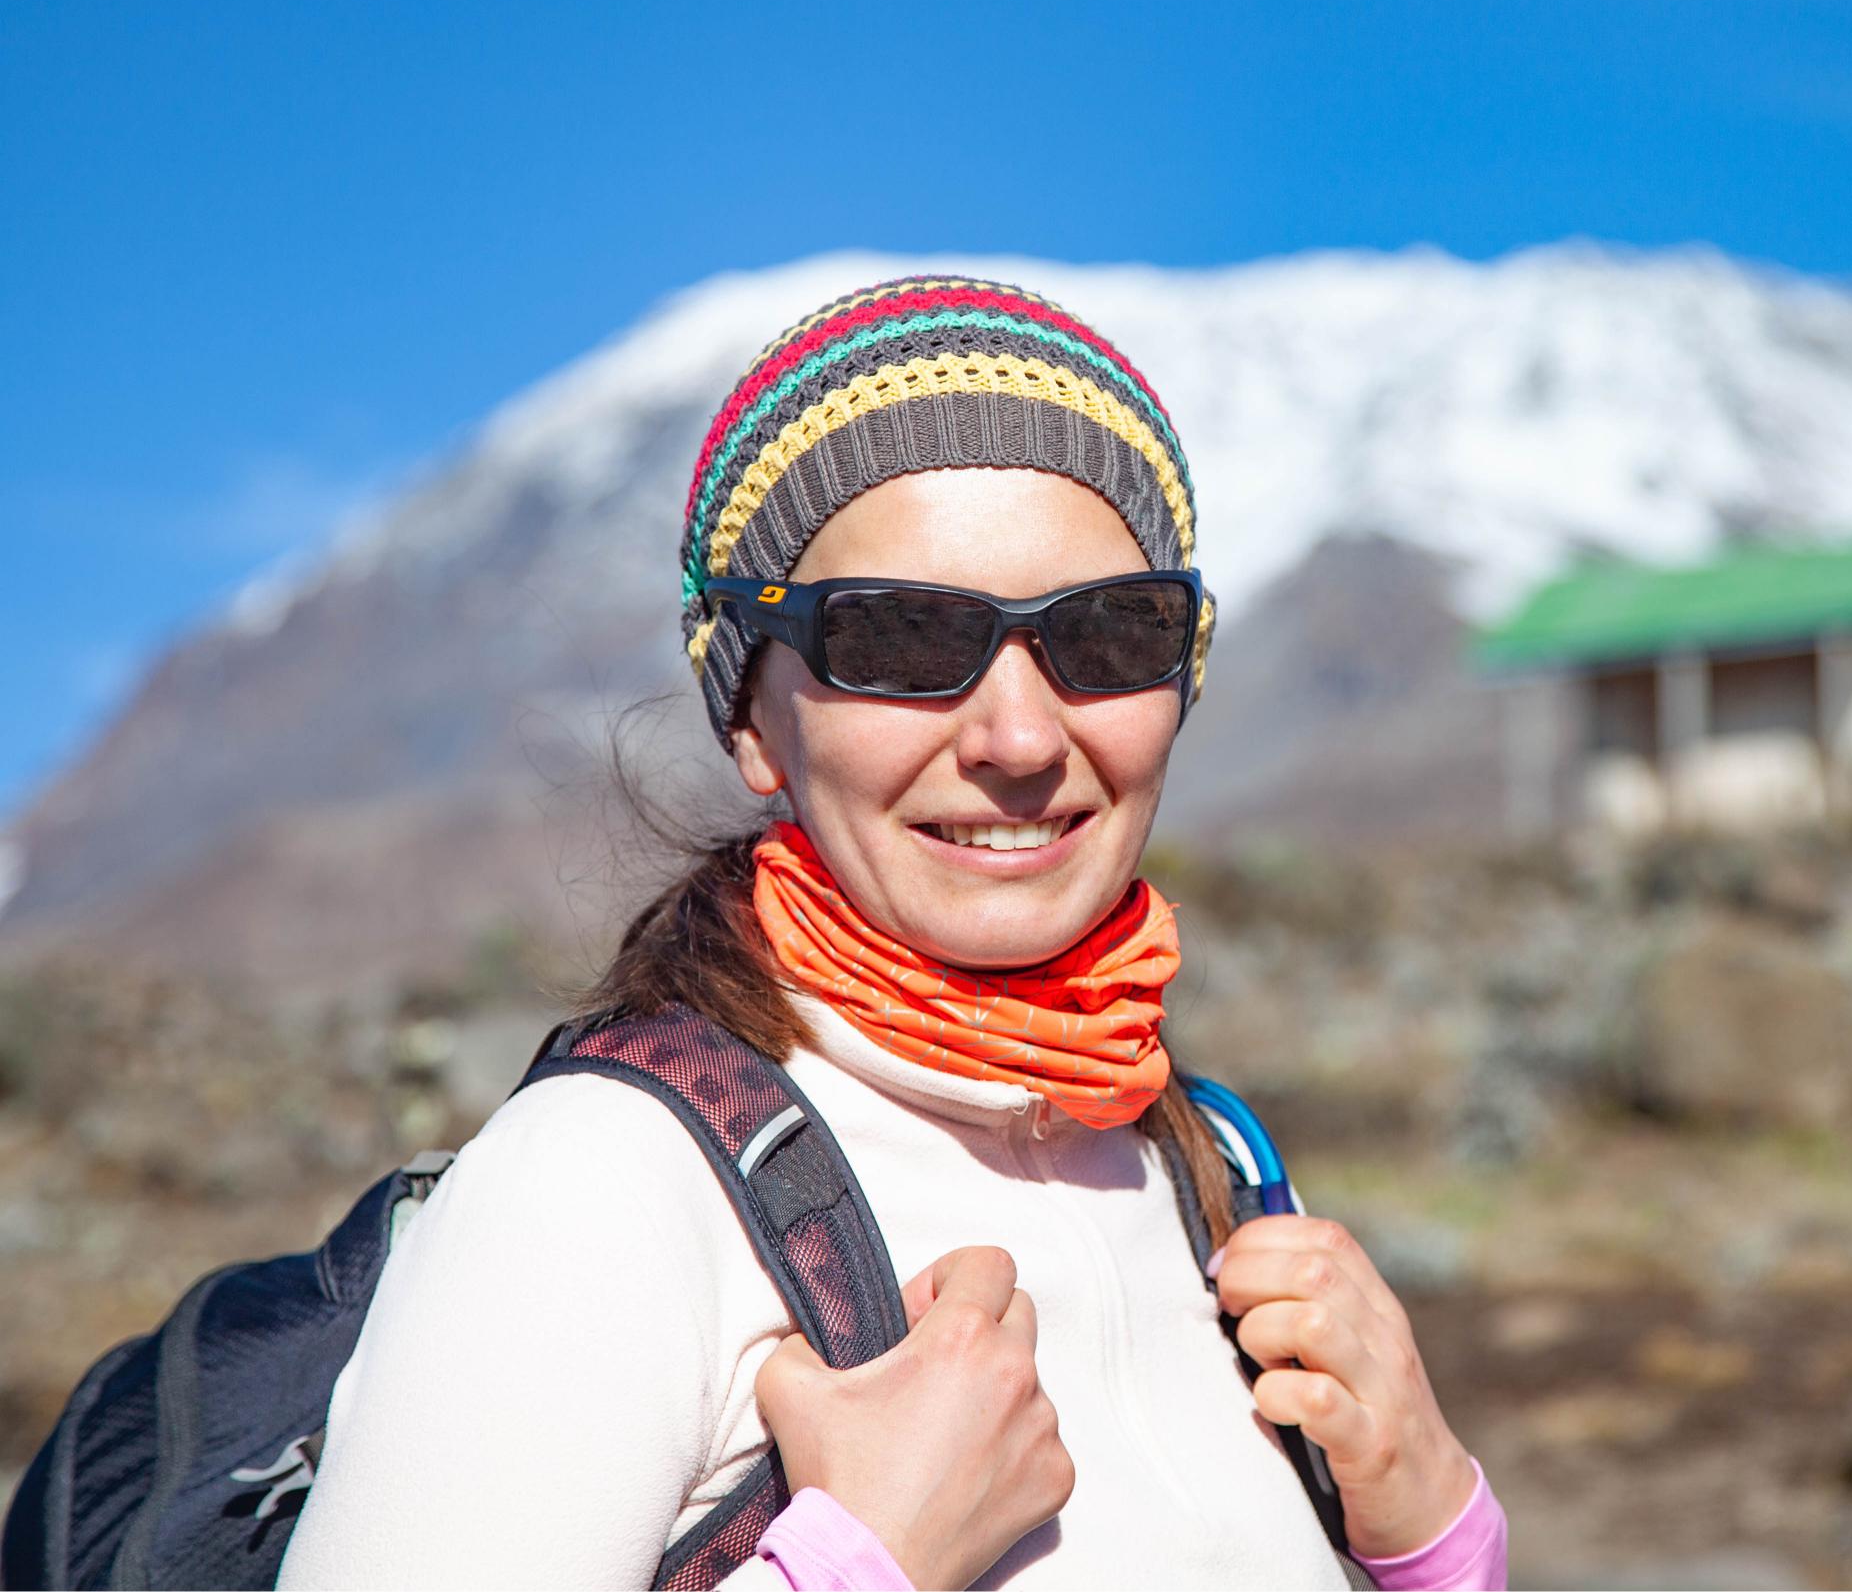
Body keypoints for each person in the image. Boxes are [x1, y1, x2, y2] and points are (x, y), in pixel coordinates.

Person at [275, 276, 1507, 1590]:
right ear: (752, 719)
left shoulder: (1214, 1171)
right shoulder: (599, 1188)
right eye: (902, 639)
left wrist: (1434, 1538)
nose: (1020, 738)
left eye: (1111, 632)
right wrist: (860, 1565)